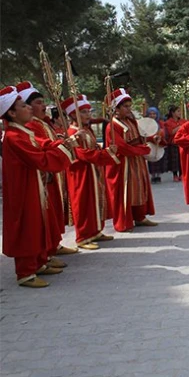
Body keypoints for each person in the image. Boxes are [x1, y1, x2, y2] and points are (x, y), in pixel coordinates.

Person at [1, 86, 78, 287]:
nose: (28, 109)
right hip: (24, 190)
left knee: (37, 223)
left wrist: (61, 143)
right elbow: (39, 158)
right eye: (24, 106)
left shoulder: (22, 131)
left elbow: (42, 144)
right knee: (27, 226)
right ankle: (25, 273)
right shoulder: (13, 136)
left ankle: (38, 263)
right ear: (11, 113)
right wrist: (64, 151)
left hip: (34, 186)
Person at [19, 81, 77, 257]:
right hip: (44, 174)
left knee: (54, 211)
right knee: (46, 214)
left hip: (53, 172)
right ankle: (48, 249)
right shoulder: (31, 126)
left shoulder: (42, 123)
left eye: (43, 102)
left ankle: (54, 244)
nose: (43, 106)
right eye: (38, 103)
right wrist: (59, 145)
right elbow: (40, 146)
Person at [64, 95, 119, 250]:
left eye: (89, 111)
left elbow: (92, 149)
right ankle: (82, 236)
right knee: (83, 202)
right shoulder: (71, 133)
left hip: (93, 171)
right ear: (73, 115)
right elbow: (82, 154)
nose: (88, 114)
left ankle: (95, 231)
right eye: (84, 112)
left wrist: (104, 151)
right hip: (80, 174)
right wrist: (106, 155)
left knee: (96, 200)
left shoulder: (85, 130)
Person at [105, 88, 159, 232]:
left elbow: (141, 135)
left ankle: (139, 217)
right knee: (125, 191)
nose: (129, 109)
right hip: (123, 164)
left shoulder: (132, 121)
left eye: (130, 106)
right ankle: (124, 222)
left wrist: (152, 139)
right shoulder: (112, 125)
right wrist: (142, 150)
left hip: (136, 161)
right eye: (125, 106)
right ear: (115, 109)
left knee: (139, 189)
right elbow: (121, 147)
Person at [164, 105, 186, 182]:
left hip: (182, 143)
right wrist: (180, 127)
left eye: (180, 111)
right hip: (173, 143)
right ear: (173, 113)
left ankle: (181, 174)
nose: (180, 113)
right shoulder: (168, 122)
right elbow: (171, 132)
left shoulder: (183, 121)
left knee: (182, 160)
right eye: (178, 111)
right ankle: (175, 175)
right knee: (174, 161)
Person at [146, 107, 167, 183]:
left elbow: (163, 131)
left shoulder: (160, 123)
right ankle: (153, 175)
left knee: (158, 159)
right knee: (151, 160)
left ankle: (158, 175)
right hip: (151, 143)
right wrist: (152, 137)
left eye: (154, 114)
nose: (152, 115)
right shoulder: (146, 124)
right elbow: (145, 133)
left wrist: (160, 136)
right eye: (150, 114)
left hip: (159, 142)